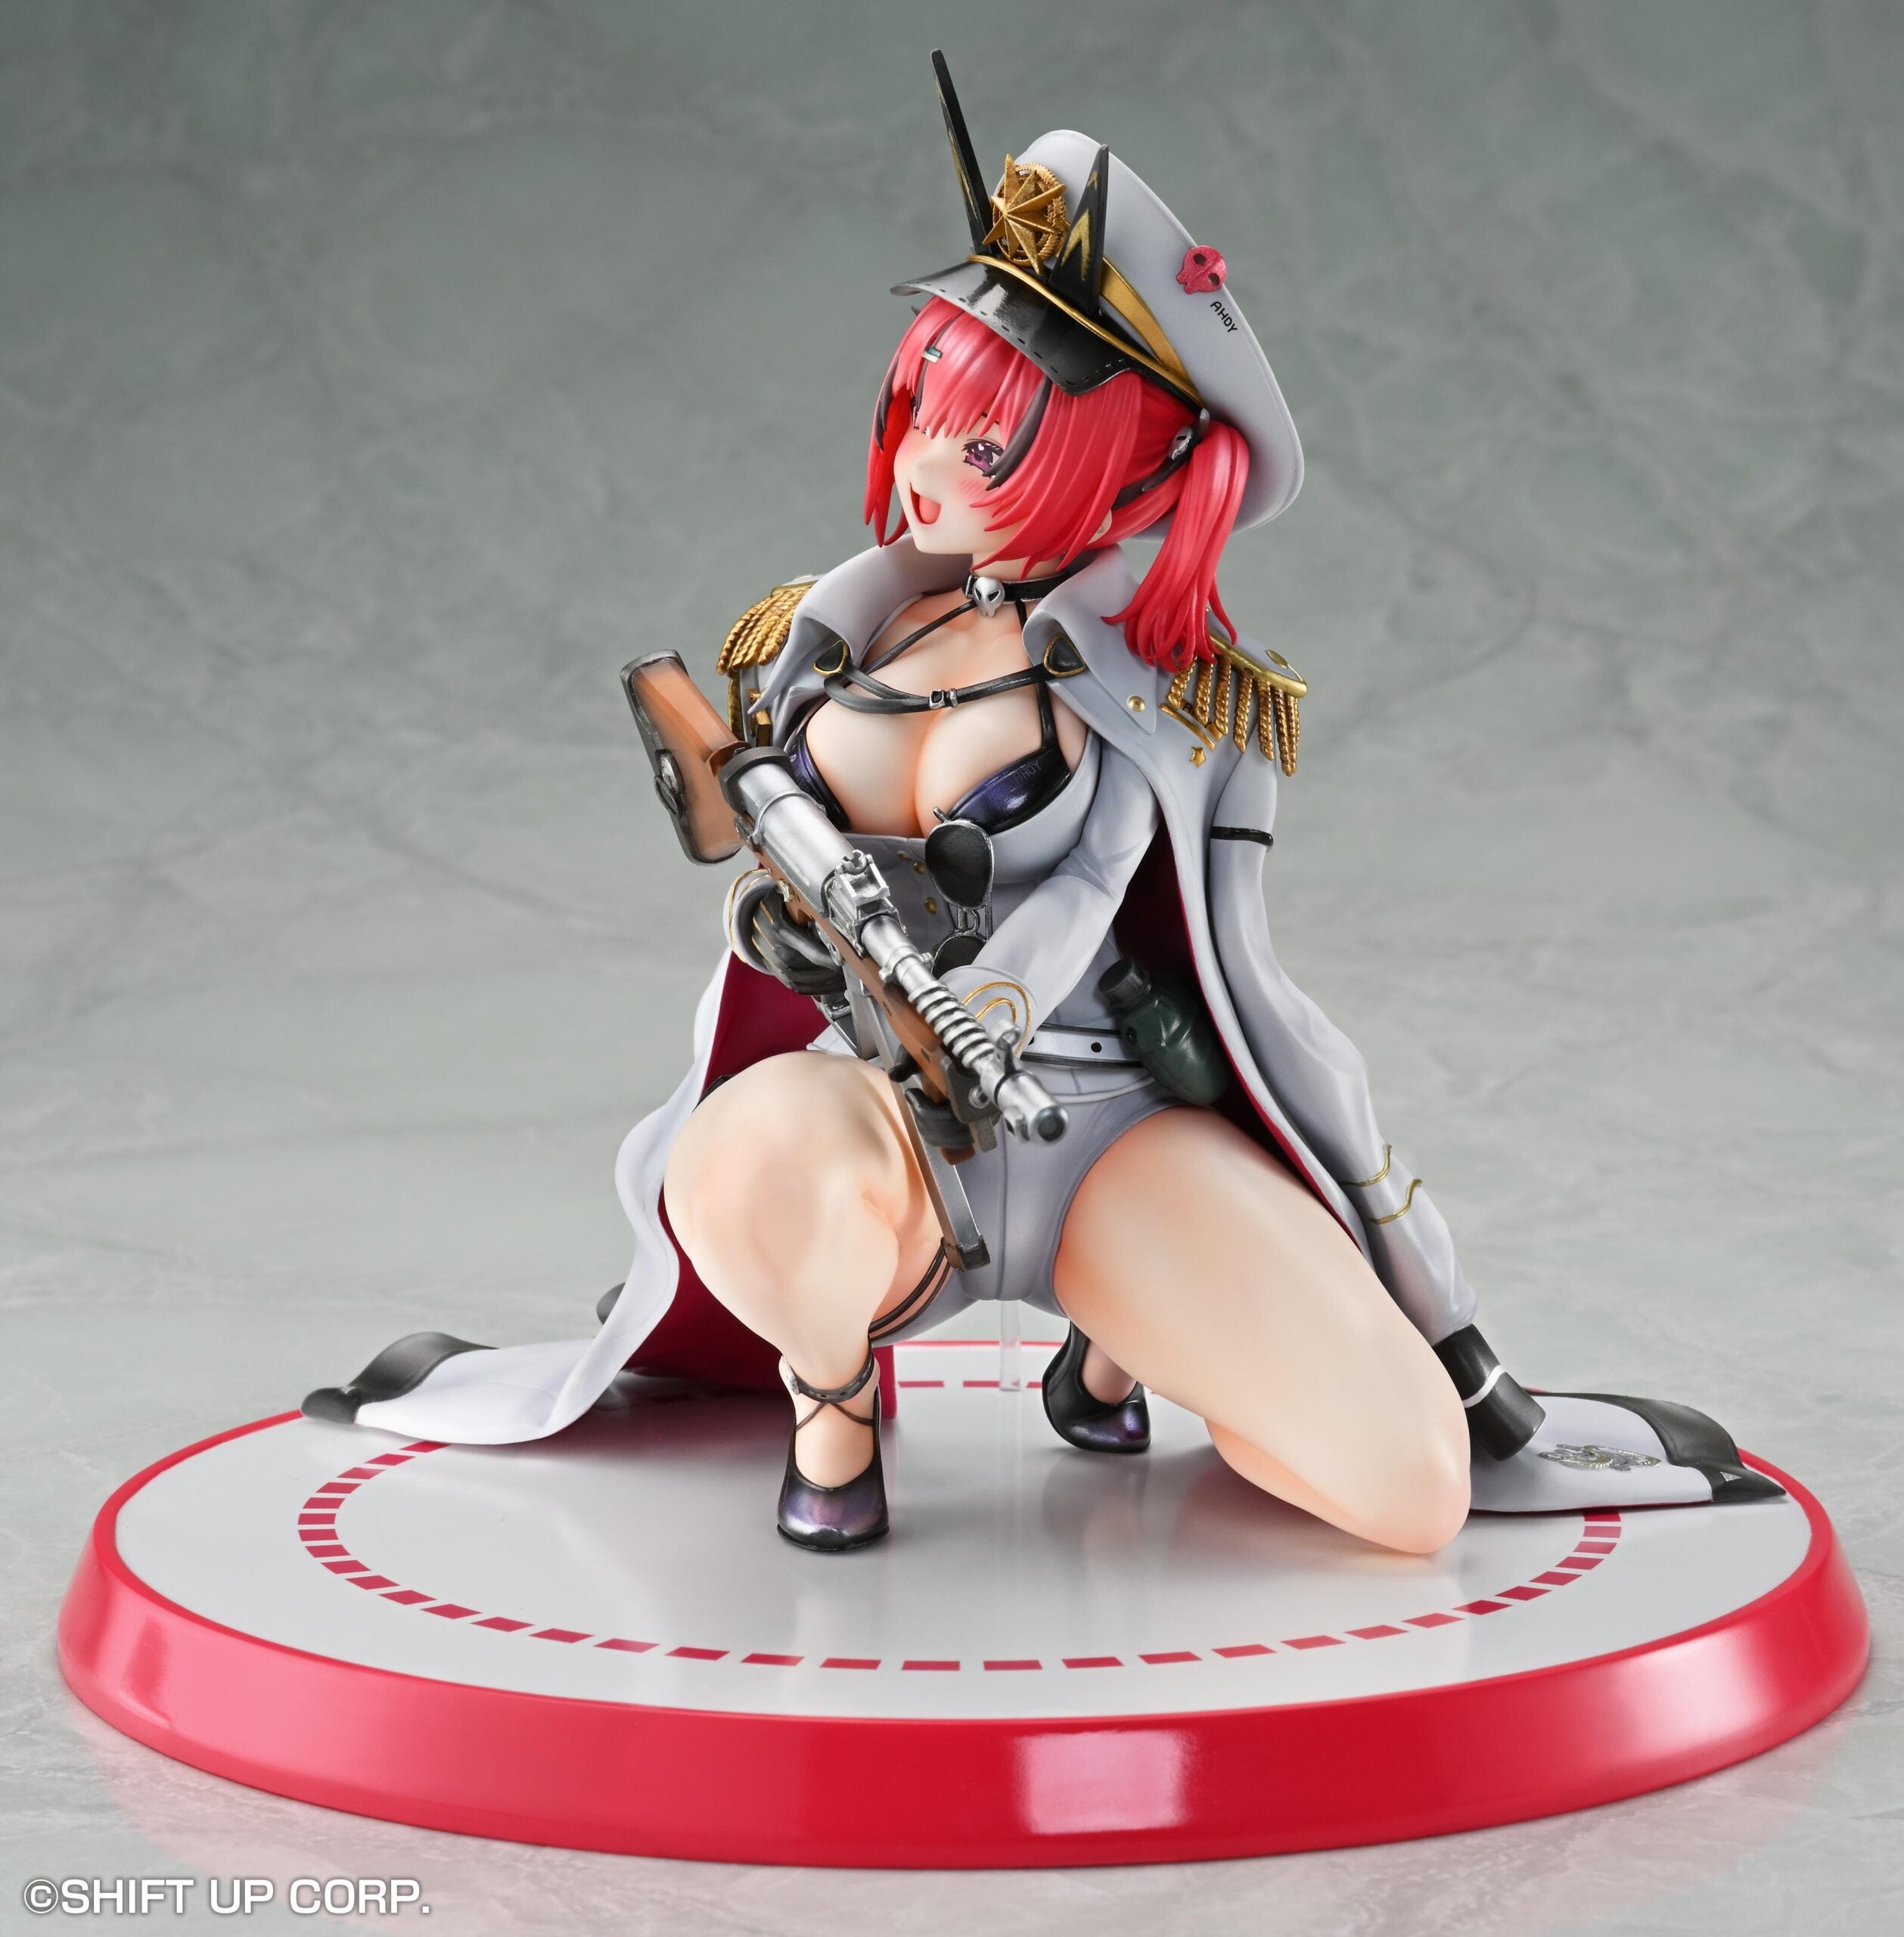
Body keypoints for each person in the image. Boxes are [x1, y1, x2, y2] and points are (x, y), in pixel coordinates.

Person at [306, 54, 1781, 1553]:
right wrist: (780, 920)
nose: (924, 465)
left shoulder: (1169, 694)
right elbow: (748, 857)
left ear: (1122, 462)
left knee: (1408, 1488)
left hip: (1102, 1127)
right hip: (878, 1120)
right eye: (919, 410)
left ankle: (1117, 1345)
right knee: (749, 1161)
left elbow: (1102, 889)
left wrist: (996, 1008)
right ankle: (833, 1406)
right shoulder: (824, 635)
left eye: (988, 442)